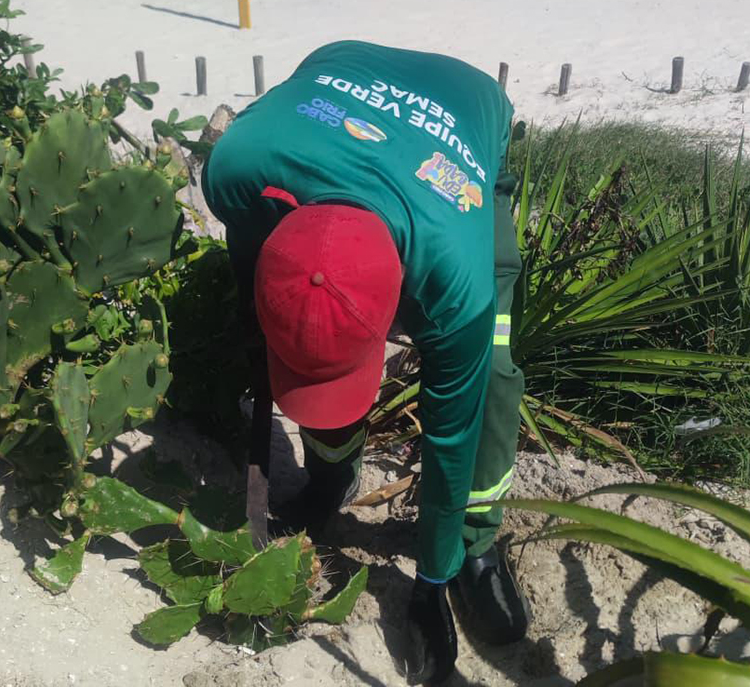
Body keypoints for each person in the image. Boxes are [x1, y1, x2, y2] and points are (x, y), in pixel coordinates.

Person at [202, 40, 529, 683]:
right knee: (307, 335)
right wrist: (263, 330)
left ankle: (476, 543)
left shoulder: (455, 282)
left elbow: (451, 437)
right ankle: (332, 478)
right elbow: (252, 278)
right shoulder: (234, 169)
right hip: (342, 71)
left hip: (465, 111)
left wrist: (431, 580)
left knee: (490, 374)